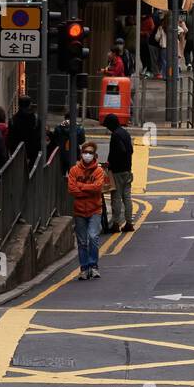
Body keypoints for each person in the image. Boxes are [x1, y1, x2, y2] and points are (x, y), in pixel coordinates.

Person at [67, 140, 105, 279]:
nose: (87, 155)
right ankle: (84, 268)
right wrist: (88, 189)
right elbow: (72, 189)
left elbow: (97, 188)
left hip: (95, 209)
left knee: (93, 237)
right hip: (79, 211)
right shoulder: (74, 170)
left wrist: (80, 186)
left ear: (95, 155)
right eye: (85, 152)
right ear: (81, 153)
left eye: (90, 152)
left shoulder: (99, 171)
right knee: (82, 241)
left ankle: (94, 265)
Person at [103, 115, 134, 233]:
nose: (108, 128)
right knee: (127, 197)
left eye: (108, 126)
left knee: (116, 197)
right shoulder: (125, 133)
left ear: (112, 124)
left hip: (117, 171)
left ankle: (115, 223)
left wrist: (110, 164)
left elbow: (120, 151)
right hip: (127, 169)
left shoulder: (115, 135)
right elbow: (130, 151)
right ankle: (129, 223)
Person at [7, 95, 40, 165]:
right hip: (33, 156)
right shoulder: (36, 120)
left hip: (18, 156)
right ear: (29, 105)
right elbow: (39, 137)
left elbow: (10, 140)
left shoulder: (12, 120)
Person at [140, 9, 156, 77]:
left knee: (147, 55)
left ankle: (148, 69)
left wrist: (144, 33)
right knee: (142, 55)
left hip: (147, 40)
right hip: (142, 40)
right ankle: (145, 67)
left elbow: (152, 29)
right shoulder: (141, 19)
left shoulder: (149, 19)